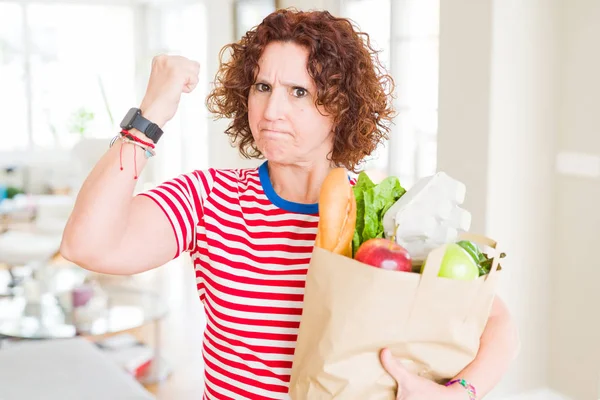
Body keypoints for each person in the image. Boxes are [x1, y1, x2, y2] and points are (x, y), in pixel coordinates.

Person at [60, 8, 519, 400]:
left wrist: (459, 392)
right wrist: (151, 112)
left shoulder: (384, 213)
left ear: (341, 107)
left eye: (298, 92)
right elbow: (87, 245)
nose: (271, 110)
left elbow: (495, 319)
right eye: (262, 87)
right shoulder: (209, 198)